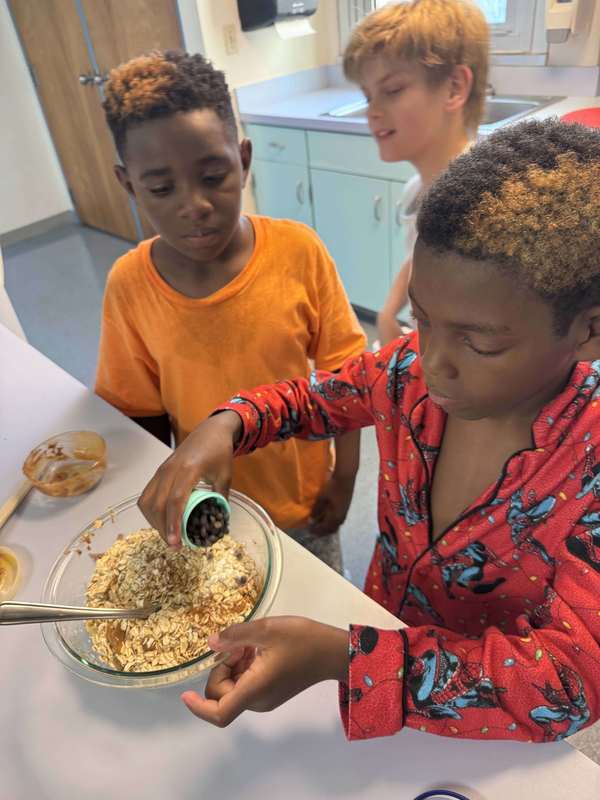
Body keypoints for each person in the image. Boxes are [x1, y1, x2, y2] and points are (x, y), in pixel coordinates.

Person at [140, 119, 600, 743]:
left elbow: (567, 682)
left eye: (480, 342)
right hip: (377, 618)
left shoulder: (590, 467)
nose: (431, 360)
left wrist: (345, 659)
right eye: (424, 319)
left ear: (589, 331)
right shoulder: (408, 372)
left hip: (486, 726)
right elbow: (311, 398)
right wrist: (224, 424)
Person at [95, 51, 367, 573]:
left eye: (213, 176)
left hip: (303, 503)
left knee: (318, 617)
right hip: (209, 514)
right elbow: (139, 416)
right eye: (161, 188)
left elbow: (346, 380)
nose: (193, 204)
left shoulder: (298, 251)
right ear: (128, 184)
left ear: (243, 160)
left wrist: (346, 477)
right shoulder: (129, 285)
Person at [343, 0, 490, 346]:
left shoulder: (475, 208)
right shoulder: (418, 190)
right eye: (368, 96)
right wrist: (388, 310)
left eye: (392, 91)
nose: (372, 112)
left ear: (454, 88)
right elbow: (416, 258)